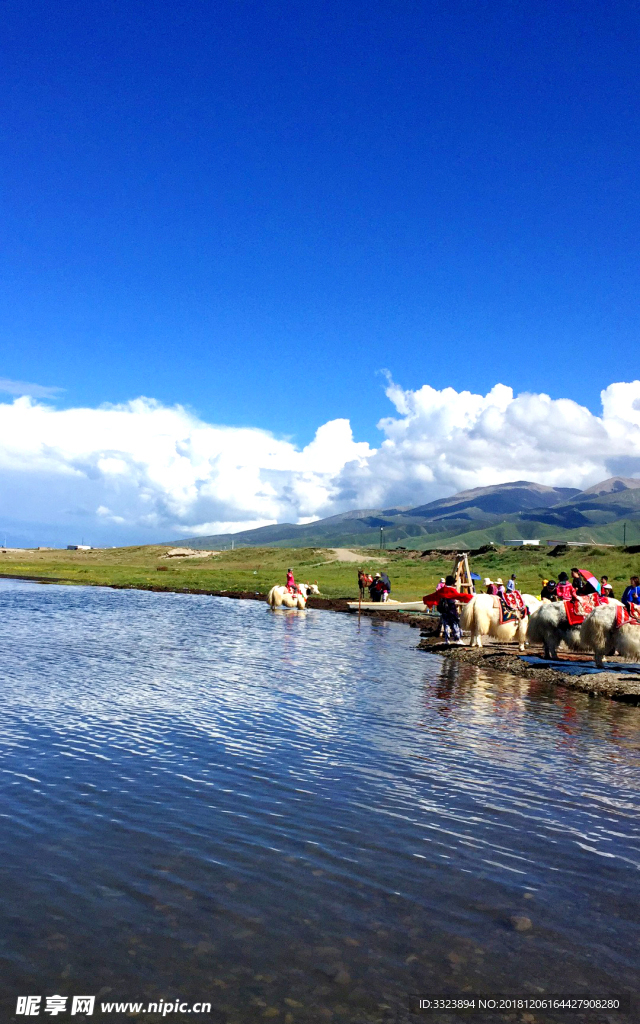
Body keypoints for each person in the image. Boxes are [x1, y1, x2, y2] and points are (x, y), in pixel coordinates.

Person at [423, 575, 473, 645]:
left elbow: (433, 595)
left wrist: (425, 599)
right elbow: (459, 596)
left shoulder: (442, 590)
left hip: (444, 610)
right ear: (452, 583)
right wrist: (471, 597)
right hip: (452, 609)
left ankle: (447, 640)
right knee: (455, 623)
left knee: (446, 624)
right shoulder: (452, 590)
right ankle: (457, 639)